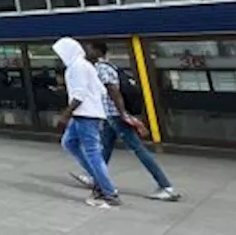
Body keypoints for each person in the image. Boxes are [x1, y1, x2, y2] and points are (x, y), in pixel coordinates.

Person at [67, 41, 180, 201]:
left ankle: (166, 186)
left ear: (98, 51)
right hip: (110, 116)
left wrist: (123, 114)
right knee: (104, 149)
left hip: (115, 116)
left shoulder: (102, 68)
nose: (85, 52)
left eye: (88, 49)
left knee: (138, 150)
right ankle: (96, 178)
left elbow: (114, 91)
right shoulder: (109, 67)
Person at [54, 37, 121, 208]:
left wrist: (65, 115)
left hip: (85, 115)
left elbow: (79, 95)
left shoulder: (76, 67)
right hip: (86, 114)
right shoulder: (85, 66)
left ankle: (108, 192)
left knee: (93, 153)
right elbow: (100, 90)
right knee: (69, 143)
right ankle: (98, 181)